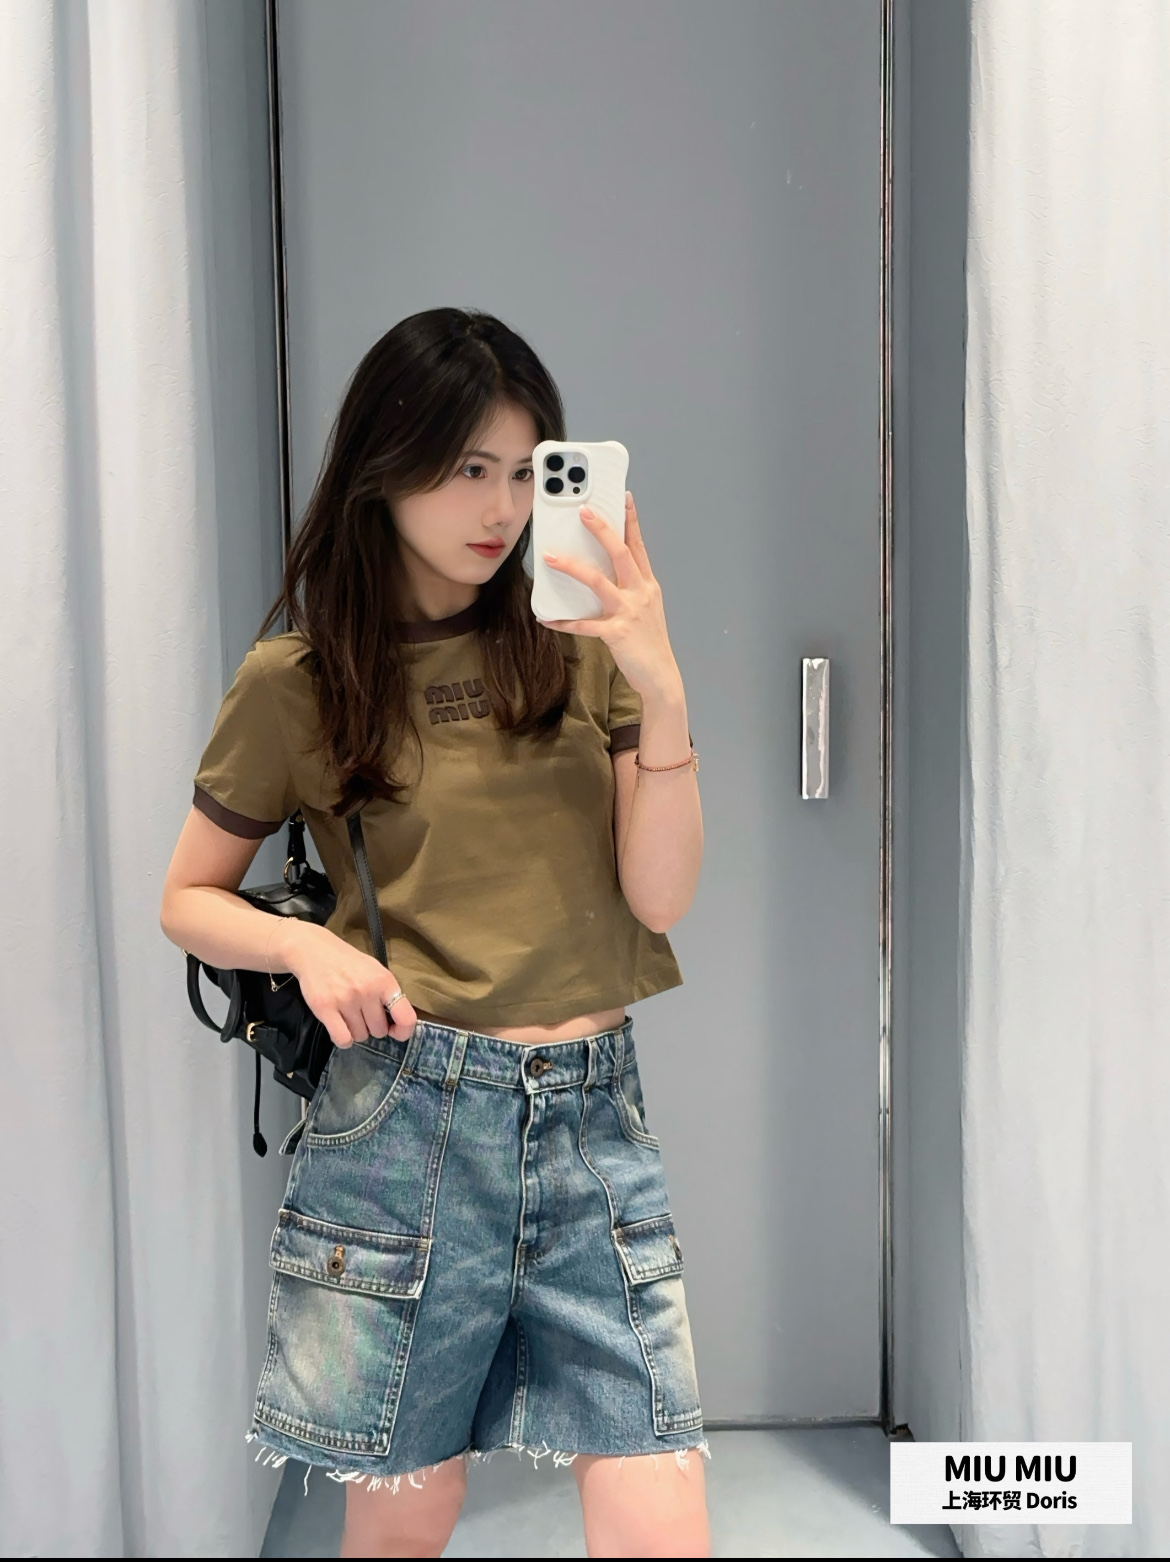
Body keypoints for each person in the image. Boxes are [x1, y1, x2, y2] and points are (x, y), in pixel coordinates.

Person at [160, 307, 710, 1558]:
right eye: (467, 467)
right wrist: (309, 946)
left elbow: (662, 896)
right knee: (408, 1516)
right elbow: (187, 896)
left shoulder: (580, 648)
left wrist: (663, 681)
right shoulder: (300, 681)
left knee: (660, 1502)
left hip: (592, 1119)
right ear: (386, 464)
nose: (502, 507)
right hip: (410, 1120)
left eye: (524, 469)